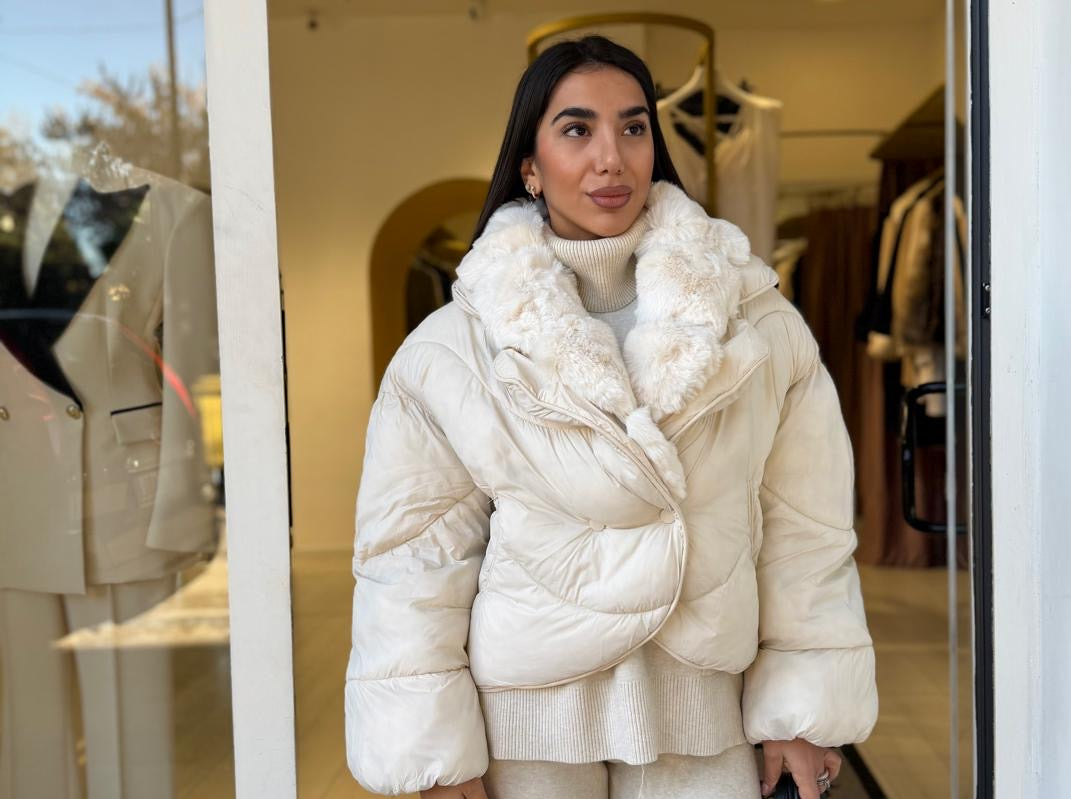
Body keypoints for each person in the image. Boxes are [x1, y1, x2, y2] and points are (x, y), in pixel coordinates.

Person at [345, 35, 877, 799]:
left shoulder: (756, 323)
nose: (611, 157)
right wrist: (433, 751)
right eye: (576, 129)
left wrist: (800, 707)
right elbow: (414, 557)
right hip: (525, 727)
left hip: (705, 714)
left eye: (633, 127)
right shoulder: (454, 347)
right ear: (530, 166)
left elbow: (806, 529)